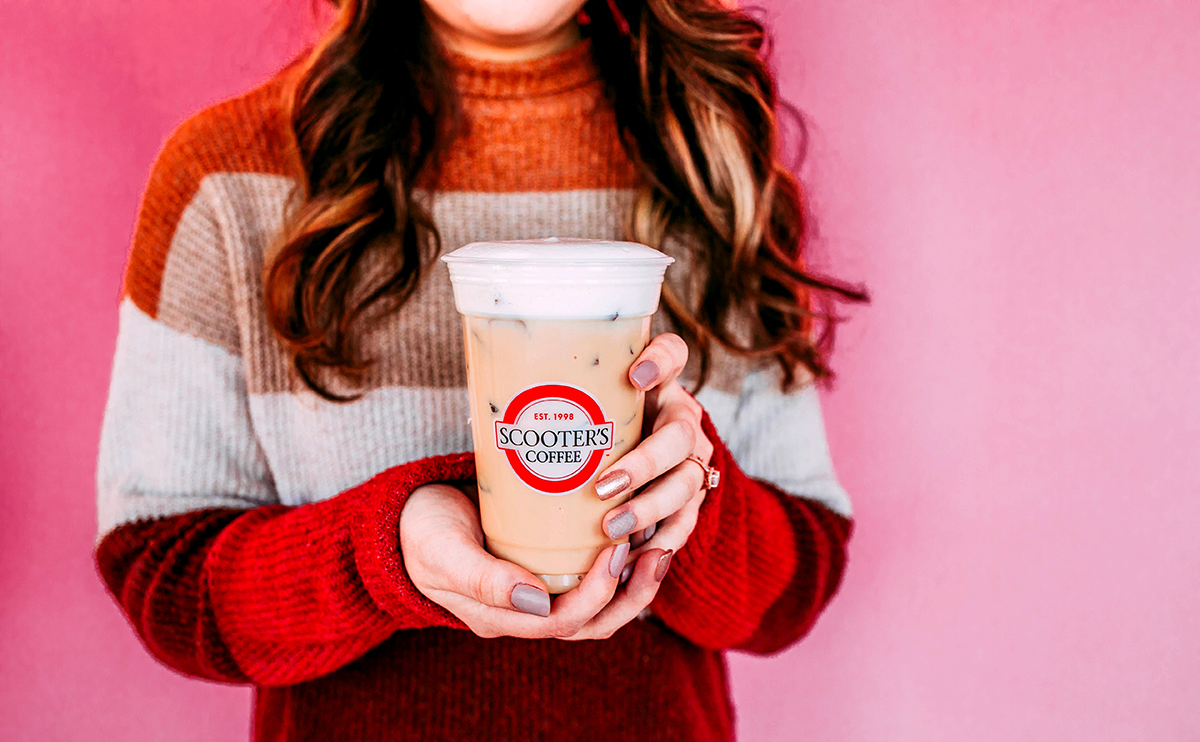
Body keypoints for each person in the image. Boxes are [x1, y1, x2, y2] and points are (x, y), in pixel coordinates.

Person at [95, 0, 867, 739]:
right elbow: (160, 575)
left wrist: (688, 502)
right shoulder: (228, 180)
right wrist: (383, 558)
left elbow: (797, 587)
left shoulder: (713, 169)